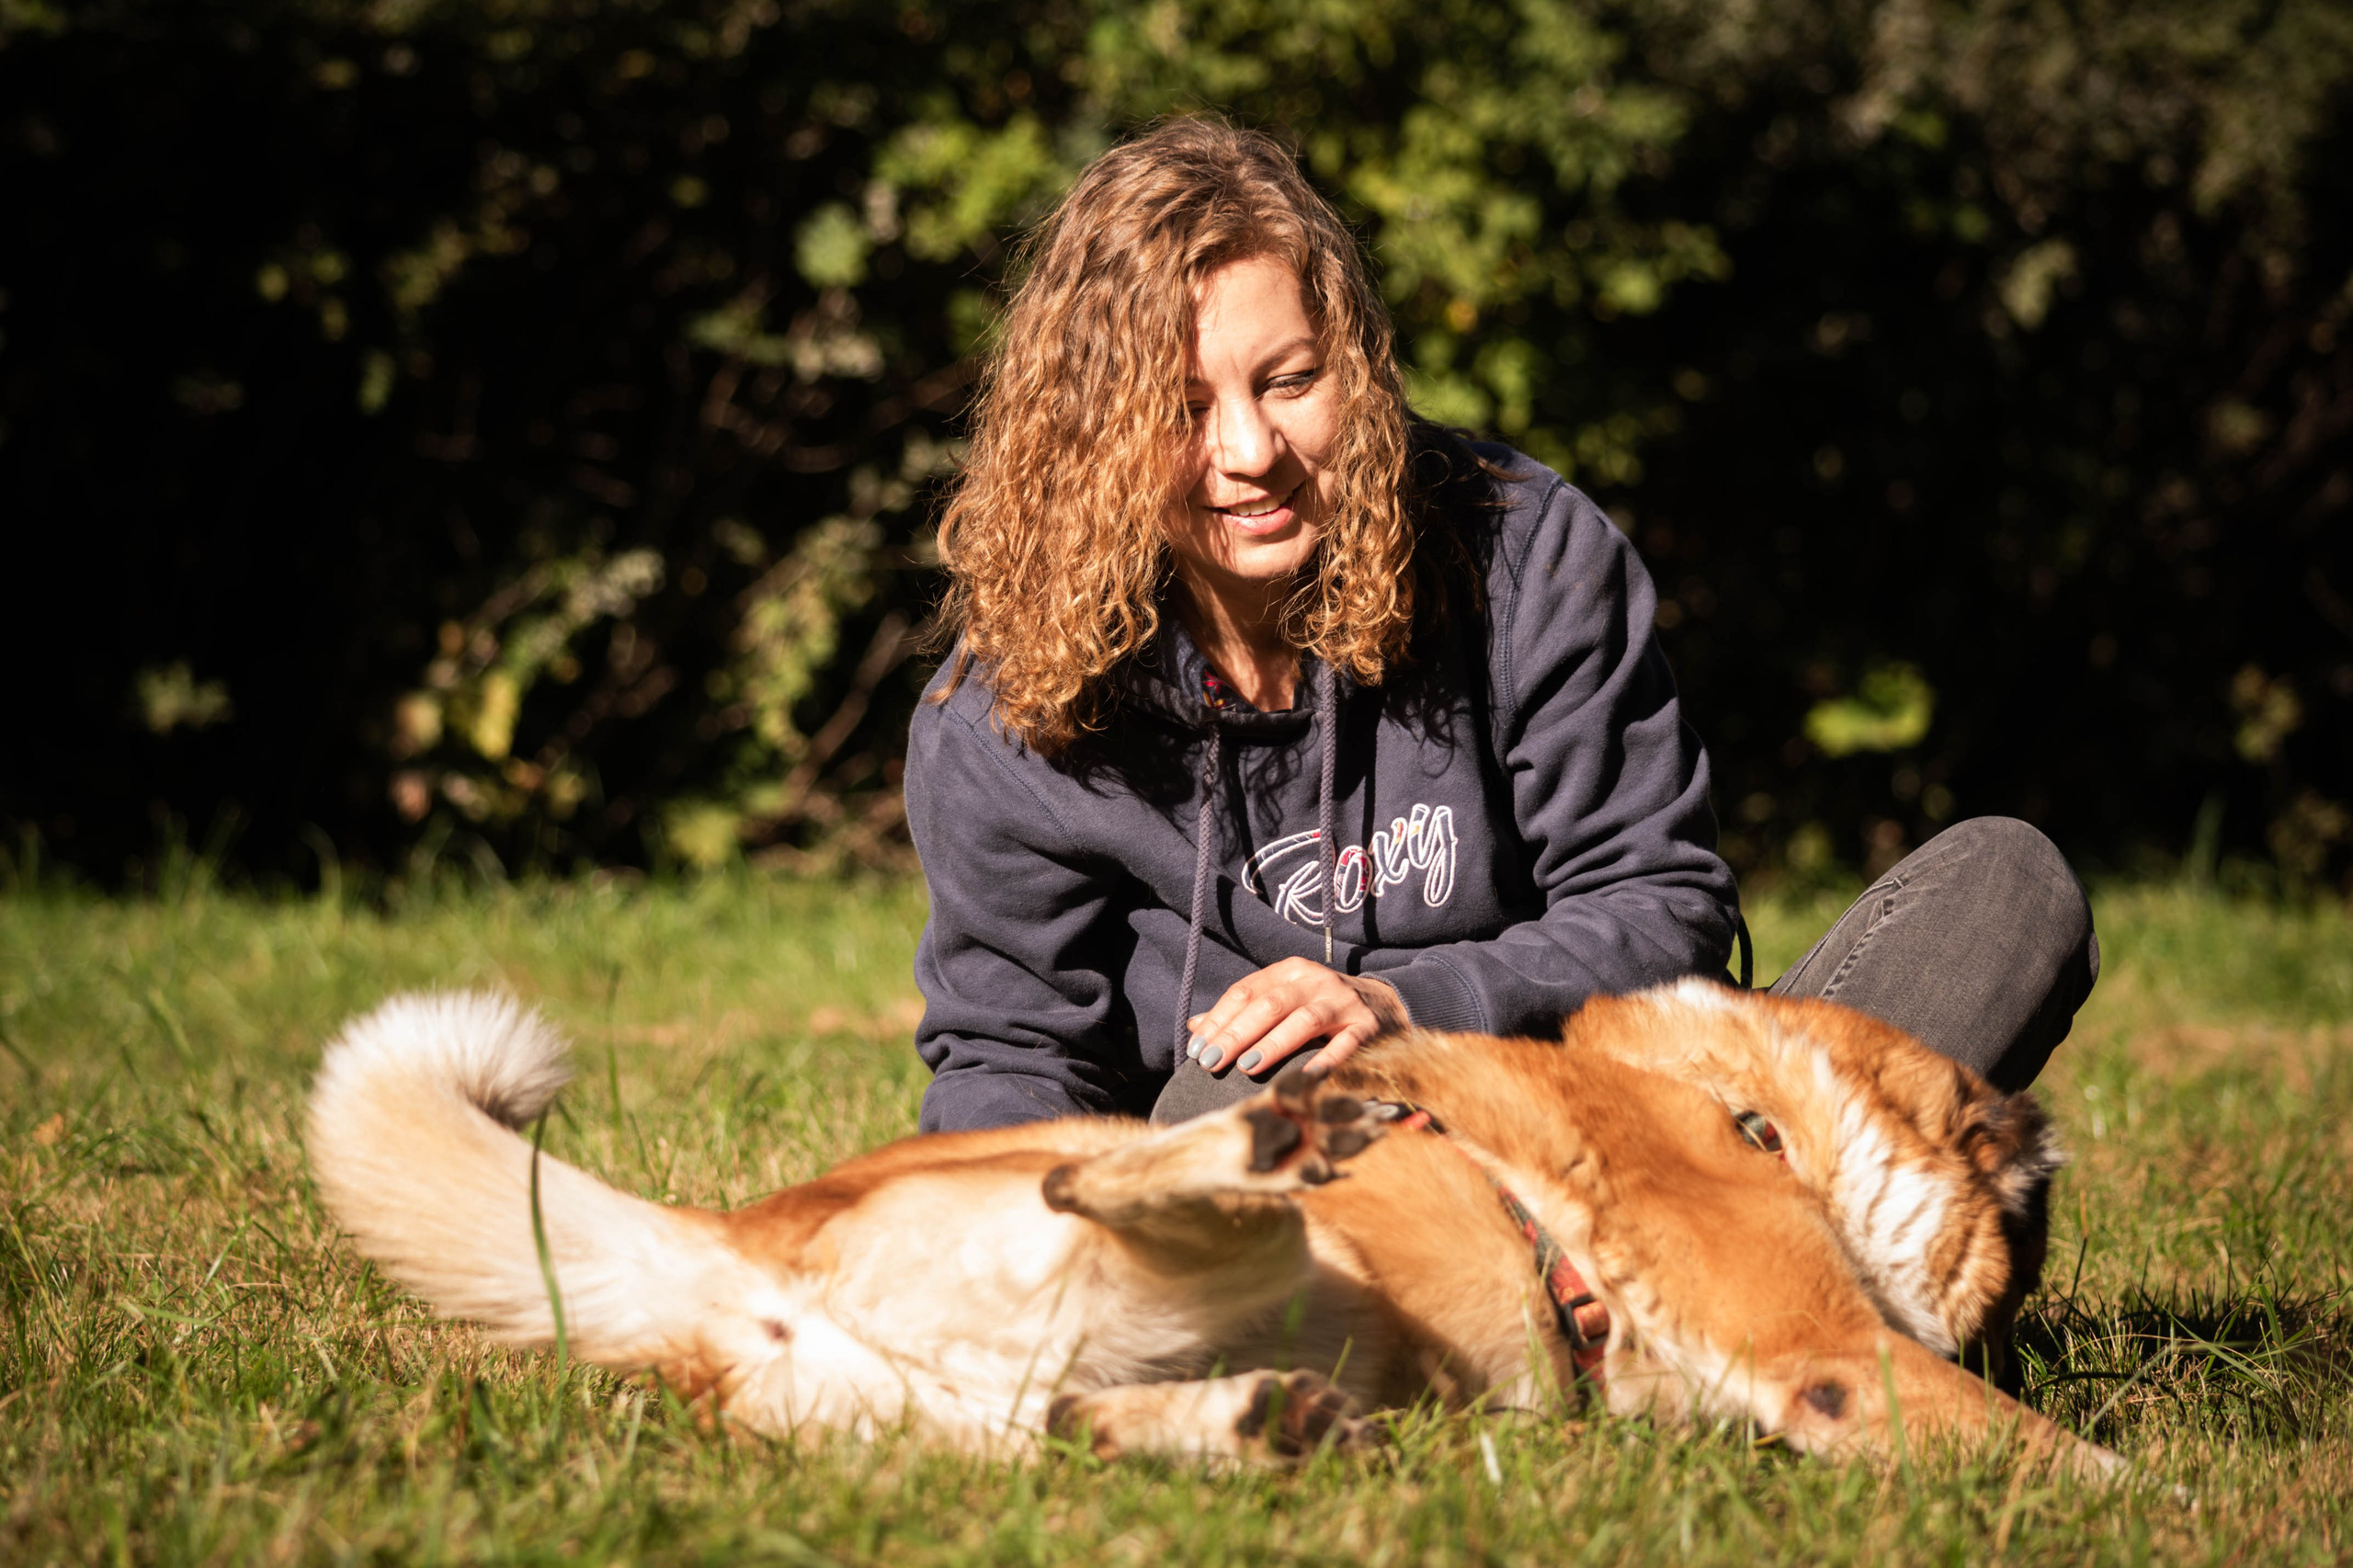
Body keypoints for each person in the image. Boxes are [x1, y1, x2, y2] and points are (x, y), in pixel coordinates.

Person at [905, 119, 2097, 1134]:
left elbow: (1662, 908)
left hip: (1617, 1127)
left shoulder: (1526, 552)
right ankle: (1760, 1269)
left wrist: (1404, 1008)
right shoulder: (1013, 696)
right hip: (1289, 1181)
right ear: (1091, 431)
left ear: (1356, 367)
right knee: (1252, 1088)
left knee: (2007, 891)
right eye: (1181, 408)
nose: (1250, 451)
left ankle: (1693, 1256)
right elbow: (1009, 1054)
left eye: (1289, 380)